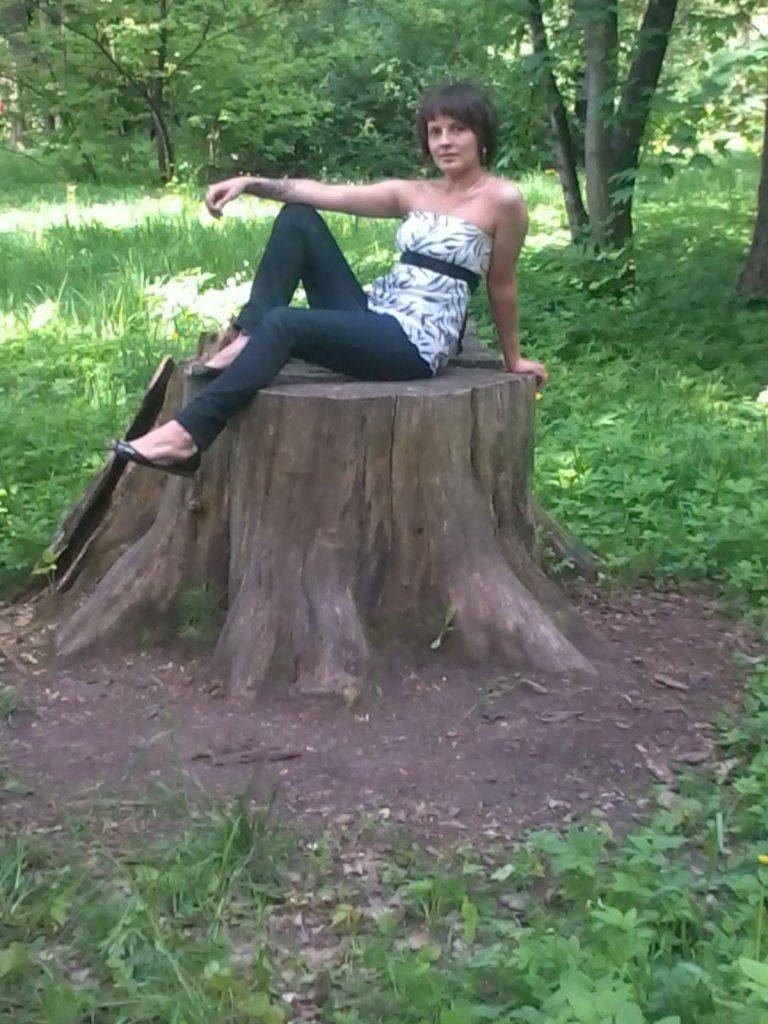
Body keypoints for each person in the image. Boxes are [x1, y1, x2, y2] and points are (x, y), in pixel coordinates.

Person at [112, 82, 548, 477]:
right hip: (375, 314)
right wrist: (248, 182)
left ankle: (188, 435)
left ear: (481, 134)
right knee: (298, 218)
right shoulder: (414, 193)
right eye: (435, 132)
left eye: (457, 129)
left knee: (285, 323)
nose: (445, 141)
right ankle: (248, 333)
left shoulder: (502, 200)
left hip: (415, 343)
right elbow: (320, 192)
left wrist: (513, 360)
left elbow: (501, 284)